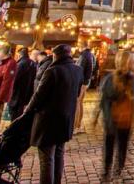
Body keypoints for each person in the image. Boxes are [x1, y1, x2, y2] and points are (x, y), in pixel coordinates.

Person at [24, 44, 83, 184]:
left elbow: (38, 96)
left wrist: (27, 112)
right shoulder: (78, 70)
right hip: (66, 118)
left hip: (48, 120)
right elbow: (78, 93)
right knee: (59, 154)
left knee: (47, 159)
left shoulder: (52, 71)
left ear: (55, 56)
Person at [95, 50, 134, 180]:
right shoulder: (129, 79)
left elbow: (103, 101)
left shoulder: (111, 79)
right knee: (119, 145)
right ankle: (116, 170)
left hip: (117, 119)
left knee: (112, 146)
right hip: (121, 119)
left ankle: (109, 171)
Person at [8, 47, 37, 120]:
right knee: (20, 113)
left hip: (18, 94)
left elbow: (15, 79)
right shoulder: (32, 63)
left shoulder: (20, 64)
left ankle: (14, 129)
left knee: (15, 114)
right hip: (27, 93)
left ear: (20, 54)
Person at [74, 42, 95, 134]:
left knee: (77, 103)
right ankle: (79, 125)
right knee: (80, 102)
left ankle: (76, 126)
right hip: (86, 81)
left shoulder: (84, 55)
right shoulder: (90, 55)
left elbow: (80, 69)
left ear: (81, 47)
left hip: (82, 82)